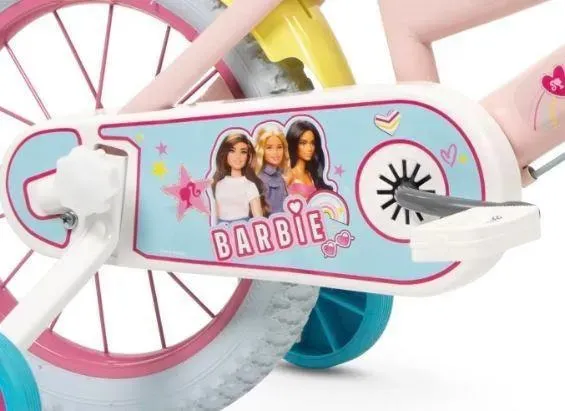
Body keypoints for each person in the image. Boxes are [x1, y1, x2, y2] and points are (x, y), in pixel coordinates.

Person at [211, 133, 267, 224]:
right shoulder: (219, 184)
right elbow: (215, 216)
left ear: (248, 156)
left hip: (242, 228)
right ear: (225, 154)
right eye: (232, 151)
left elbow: (259, 219)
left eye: (243, 152)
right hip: (222, 228)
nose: (238, 156)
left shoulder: (249, 185)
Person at [286, 120, 333, 199]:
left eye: (312, 143)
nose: (309, 148)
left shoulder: (312, 174)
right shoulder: (289, 175)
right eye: (303, 143)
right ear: (294, 144)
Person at [254, 126, 291, 214]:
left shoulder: (280, 174)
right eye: (269, 148)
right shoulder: (261, 179)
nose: (275, 152)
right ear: (262, 150)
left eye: (279, 147)